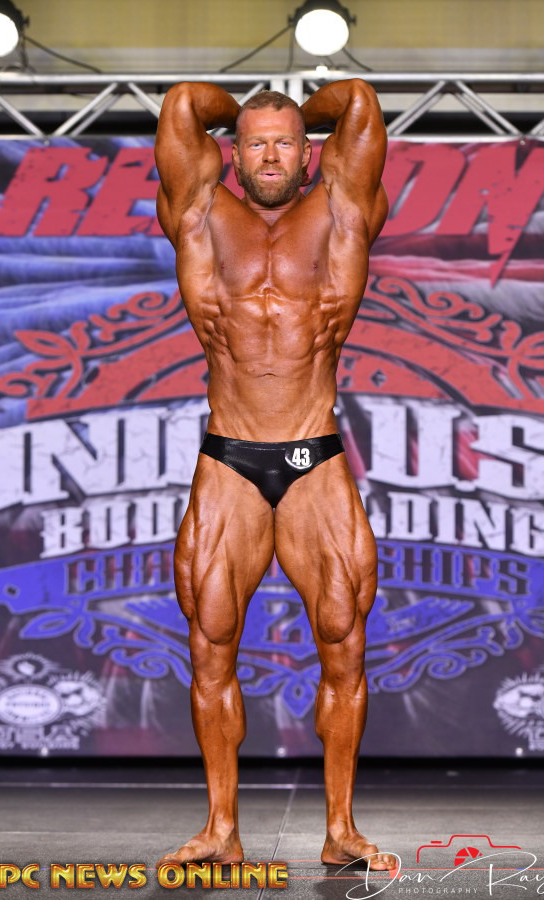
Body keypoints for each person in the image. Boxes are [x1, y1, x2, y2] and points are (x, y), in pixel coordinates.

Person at [154, 78, 392, 870]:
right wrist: (249, 114)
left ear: (307, 152)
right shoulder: (198, 213)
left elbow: (356, 101)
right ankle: (221, 829)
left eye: (284, 142)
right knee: (211, 641)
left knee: (343, 640)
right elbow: (184, 103)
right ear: (232, 152)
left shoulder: (342, 211)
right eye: (254, 142)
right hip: (230, 457)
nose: (268, 154)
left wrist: (290, 110)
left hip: (312, 454)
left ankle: (341, 829)